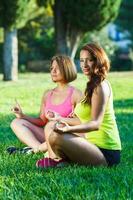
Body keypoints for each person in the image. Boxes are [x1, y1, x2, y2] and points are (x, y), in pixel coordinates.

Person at [37, 43, 121, 168]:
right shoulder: (91, 85)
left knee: (56, 136)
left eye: (90, 60)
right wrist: (60, 118)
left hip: (105, 152)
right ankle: (59, 160)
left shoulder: (100, 86)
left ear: (98, 61)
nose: (84, 65)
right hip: (90, 144)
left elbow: (95, 124)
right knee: (51, 127)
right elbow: (83, 119)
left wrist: (68, 129)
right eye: (82, 61)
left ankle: (58, 160)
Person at [10, 55, 82, 154]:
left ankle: (35, 150)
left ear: (67, 69)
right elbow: (42, 121)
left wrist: (61, 119)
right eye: (52, 68)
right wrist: (22, 116)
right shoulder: (47, 94)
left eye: (57, 68)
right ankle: (38, 149)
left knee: (55, 126)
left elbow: (83, 122)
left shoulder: (76, 94)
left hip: (66, 136)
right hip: (48, 134)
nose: (53, 71)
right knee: (16, 122)